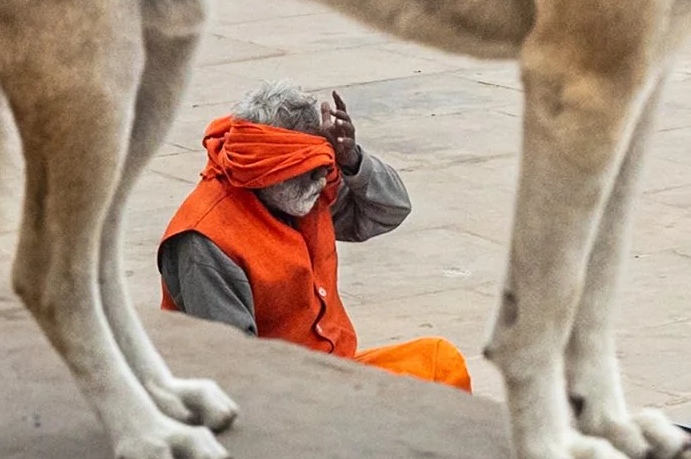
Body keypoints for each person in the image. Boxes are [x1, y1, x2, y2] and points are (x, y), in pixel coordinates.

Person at [158, 81, 470, 390]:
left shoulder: (299, 191)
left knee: (439, 363)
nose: (323, 180)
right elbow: (238, 373)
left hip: (332, 373)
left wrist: (352, 160)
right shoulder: (205, 242)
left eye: (326, 165)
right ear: (271, 171)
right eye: (312, 169)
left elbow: (390, 210)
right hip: (281, 396)